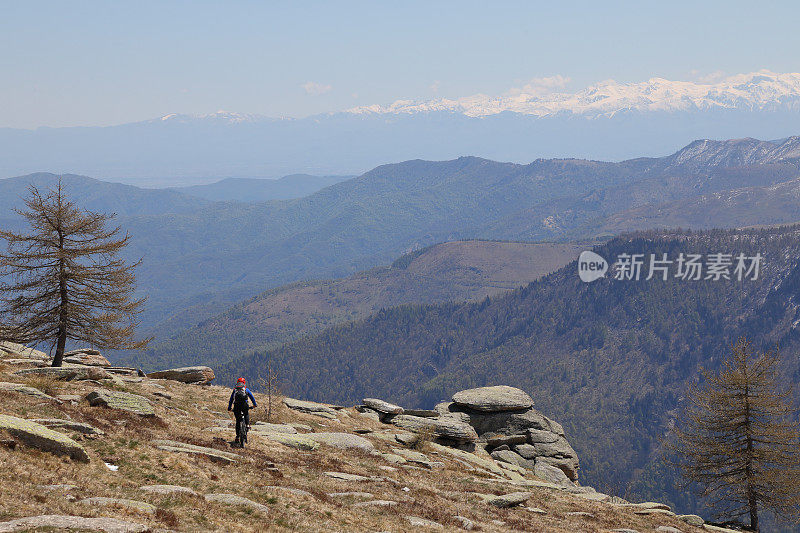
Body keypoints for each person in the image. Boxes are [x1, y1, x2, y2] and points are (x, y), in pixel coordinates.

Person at [228, 377, 257, 446]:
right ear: (244, 383)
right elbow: (252, 397)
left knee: (238, 421)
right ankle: (247, 425)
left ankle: (237, 437)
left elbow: (231, 399)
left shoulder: (235, 390)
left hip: (237, 406)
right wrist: (254, 405)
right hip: (244, 405)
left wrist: (229, 408)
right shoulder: (246, 389)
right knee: (246, 413)